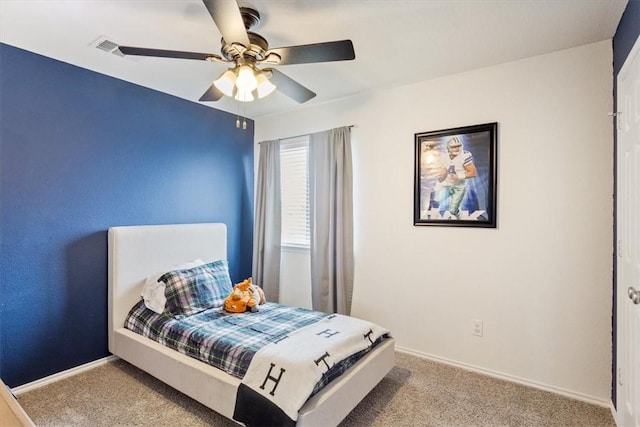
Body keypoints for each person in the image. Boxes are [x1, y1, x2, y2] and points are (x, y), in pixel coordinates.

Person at [437, 136, 477, 218]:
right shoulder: (444, 156)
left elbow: (473, 173)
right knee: (435, 201)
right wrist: (441, 176)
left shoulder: (464, 156)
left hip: (458, 188)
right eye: (454, 147)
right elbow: (442, 174)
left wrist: (459, 176)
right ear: (448, 147)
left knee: (452, 210)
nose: (457, 148)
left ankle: (460, 217)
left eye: (458, 146)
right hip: (446, 185)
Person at [419, 139, 446, 217]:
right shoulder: (422, 157)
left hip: (434, 186)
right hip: (425, 187)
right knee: (424, 206)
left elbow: (443, 172)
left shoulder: (440, 157)